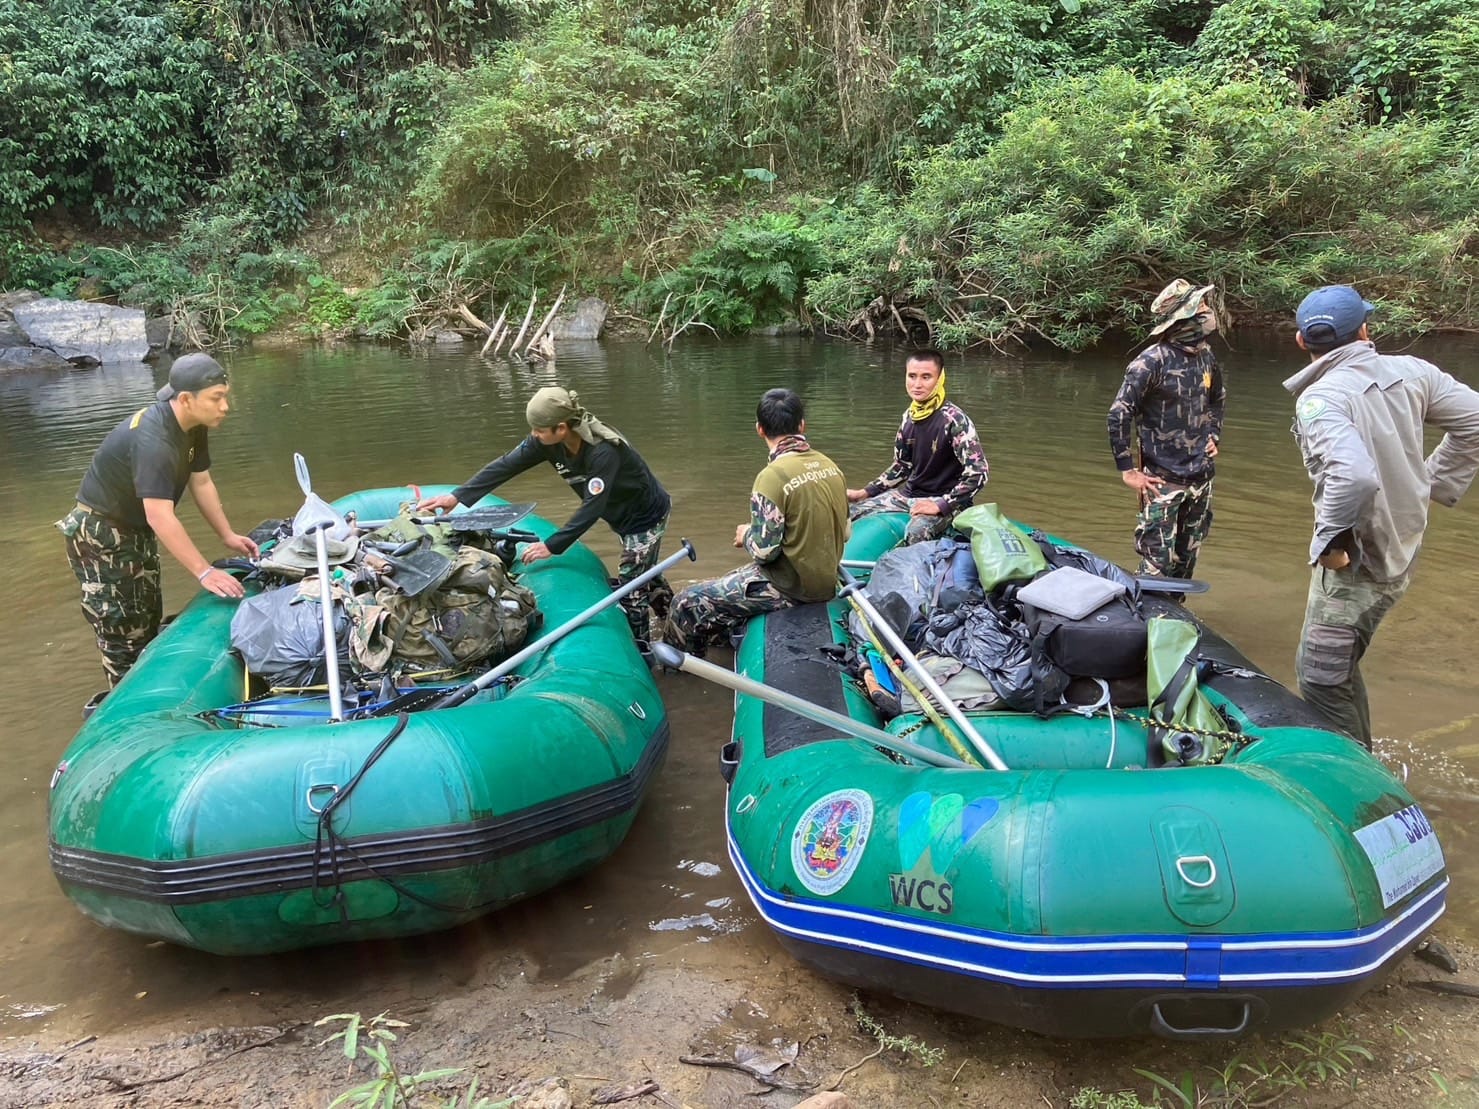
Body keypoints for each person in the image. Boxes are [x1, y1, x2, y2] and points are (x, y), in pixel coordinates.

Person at [1286, 284, 1479, 748]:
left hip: (1360, 559)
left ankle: (1357, 777)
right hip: (1402, 546)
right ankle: (1364, 751)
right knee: (1341, 666)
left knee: (1320, 678)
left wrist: (1329, 545)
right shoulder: (1414, 372)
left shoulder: (1321, 399)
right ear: (1365, 330)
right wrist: (1428, 484)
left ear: (1301, 342)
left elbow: (1351, 477)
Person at [56, 353, 260, 689]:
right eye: (217, 398)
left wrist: (227, 535)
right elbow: (160, 515)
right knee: (123, 632)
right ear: (185, 399)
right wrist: (203, 571)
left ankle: (145, 688)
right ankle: (124, 711)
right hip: (102, 534)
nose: (225, 407)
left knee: (148, 620)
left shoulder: (192, 426)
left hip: (135, 531)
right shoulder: (155, 440)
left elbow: (202, 481)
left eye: (225, 396)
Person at [417, 385, 672, 641]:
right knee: (647, 573)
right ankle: (674, 620)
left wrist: (552, 545)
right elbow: (506, 465)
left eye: (539, 430)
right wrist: (457, 496)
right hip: (619, 515)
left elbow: (592, 508)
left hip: (644, 518)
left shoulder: (602, 452)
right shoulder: (546, 443)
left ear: (561, 428)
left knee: (631, 589)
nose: (534, 435)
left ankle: (645, 652)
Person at [662, 388, 847, 655]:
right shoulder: (830, 466)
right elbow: (847, 532)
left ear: (760, 429)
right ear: (802, 425)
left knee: (685, 602)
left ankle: (679, 676)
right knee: (728, 579)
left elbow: (765, 553)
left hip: (792, 589)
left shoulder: (771, 477)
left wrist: (746, 534)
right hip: (824, 581)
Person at [1107, 279, 1226, 579]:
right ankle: (1150, 617)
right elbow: (1119, 413)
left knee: (1187, 562)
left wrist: (1213, 435)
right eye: (1201, 307)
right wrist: (1127, 470)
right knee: (1156, 565)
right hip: (1160, 481)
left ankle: (1178, 616)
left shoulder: (1207, 356)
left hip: (1201, 477)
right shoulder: (1150, 363)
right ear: (1185, 317)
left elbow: (1217, 400)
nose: (1207, 312)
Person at [845, 349, 988, 544]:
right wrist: (864, 493)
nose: (917, 384)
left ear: (939, 379)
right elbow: (902, 466)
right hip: (908, 495)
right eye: (912, 376)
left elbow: (978, 473)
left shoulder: (954, 420)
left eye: (926, 377)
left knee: (916, 532)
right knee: (849, 513)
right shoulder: (909, 417)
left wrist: (942, 504)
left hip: (945, 499)